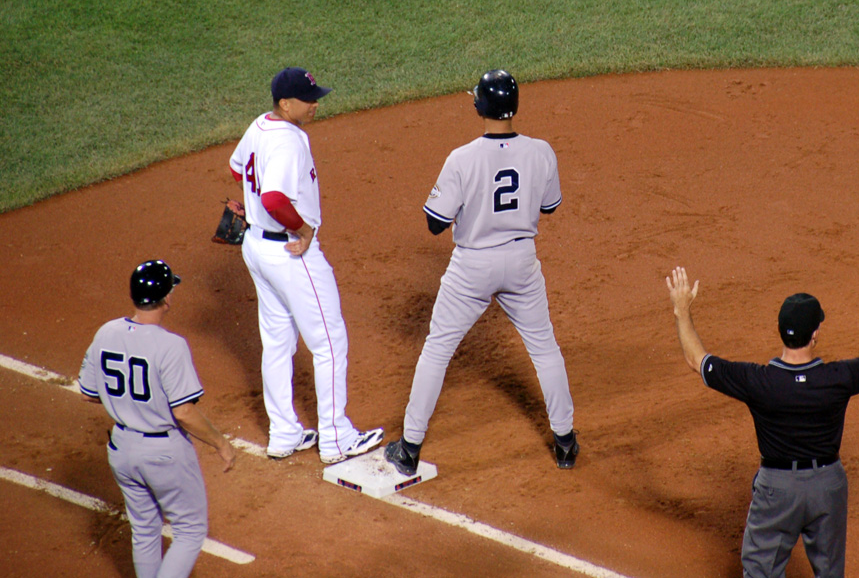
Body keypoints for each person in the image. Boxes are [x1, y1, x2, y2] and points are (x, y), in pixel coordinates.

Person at [384, 69, 578, 474]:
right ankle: (566, 443)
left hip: (472, 266)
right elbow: (549, 207)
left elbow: (435, 222)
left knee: (437, 349)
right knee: (545, 348)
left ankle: (410, 447)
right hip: (522, 261)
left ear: (479, 106)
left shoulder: (462, 158)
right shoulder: (541, 151)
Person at [665, 258, 859, 578]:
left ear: (780, 332)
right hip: (827, 486)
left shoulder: (759, 382)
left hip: (777, 490)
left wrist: (682, 309)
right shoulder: (839, 377)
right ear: (815, 333)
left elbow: (697, 359)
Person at [229, 67, 382, 464]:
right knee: (330, 342)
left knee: (278, 340)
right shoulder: (288, 143)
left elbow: (236, 167)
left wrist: (254, 191)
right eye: (309, 99)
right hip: (290, 252)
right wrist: (303, 229)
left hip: (256, 249)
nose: (316, 105)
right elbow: (274, 200)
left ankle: (283, 434)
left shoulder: (261, 125)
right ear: (286, 103)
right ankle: (336, 438)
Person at [78, 260, 237, 578]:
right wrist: (221, 443)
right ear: (167, 298)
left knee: (145, 529)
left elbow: (89, 392)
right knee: (190, 531)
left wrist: (125, 402)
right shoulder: (171, 346)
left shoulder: (106, 331)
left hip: (121, 449)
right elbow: (184, 411)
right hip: (163, 453)